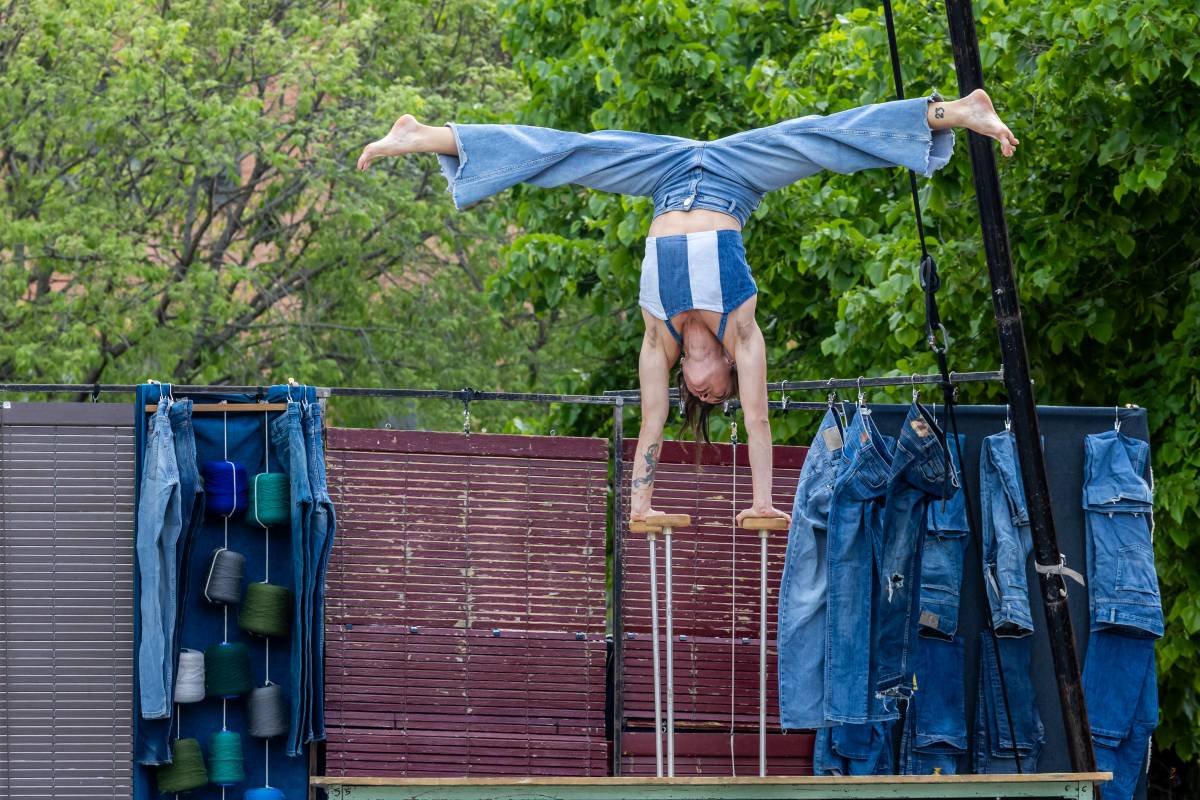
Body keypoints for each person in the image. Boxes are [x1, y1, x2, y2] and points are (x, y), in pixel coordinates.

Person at [357, 89, 1018, 525]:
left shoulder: (658, 340)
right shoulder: (743, 331)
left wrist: (640, 506)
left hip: (666, 174)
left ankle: (956, 111)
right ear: (727, 372)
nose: (706, 393)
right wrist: (763, 503)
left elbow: (650, 429)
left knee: (571, 154)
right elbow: (759, 421)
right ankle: (421, 134)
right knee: (816, 138)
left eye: (700, 398)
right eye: (716, 394)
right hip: (734, 171)